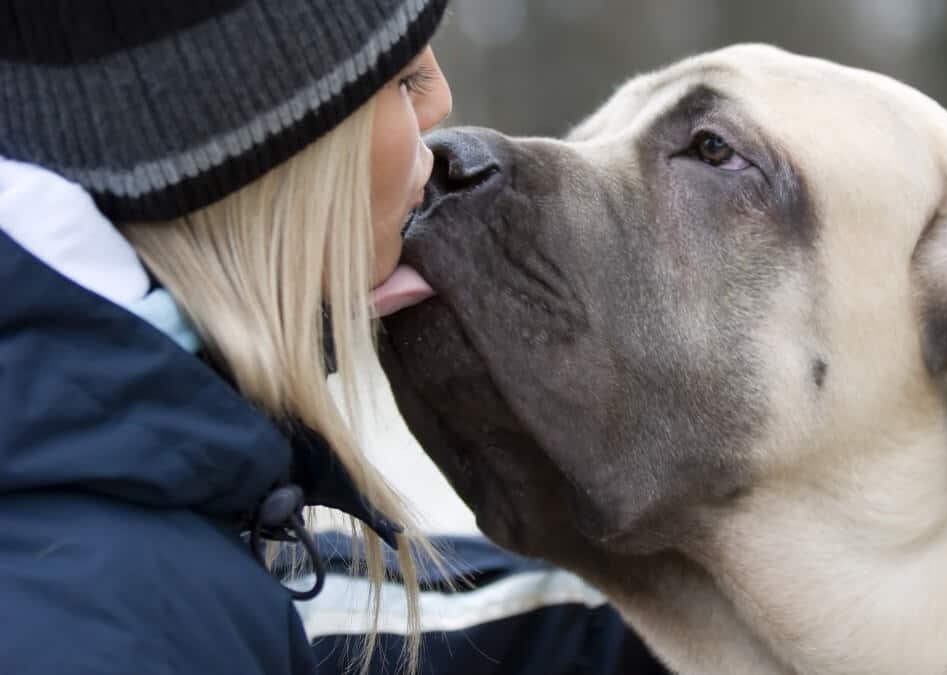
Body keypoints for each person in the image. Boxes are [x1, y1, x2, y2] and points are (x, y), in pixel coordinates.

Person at [0, 1, 668, 673]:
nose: (440, 101)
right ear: (254, 145)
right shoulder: (116, 621)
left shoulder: (119, 502)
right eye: (401, 78)